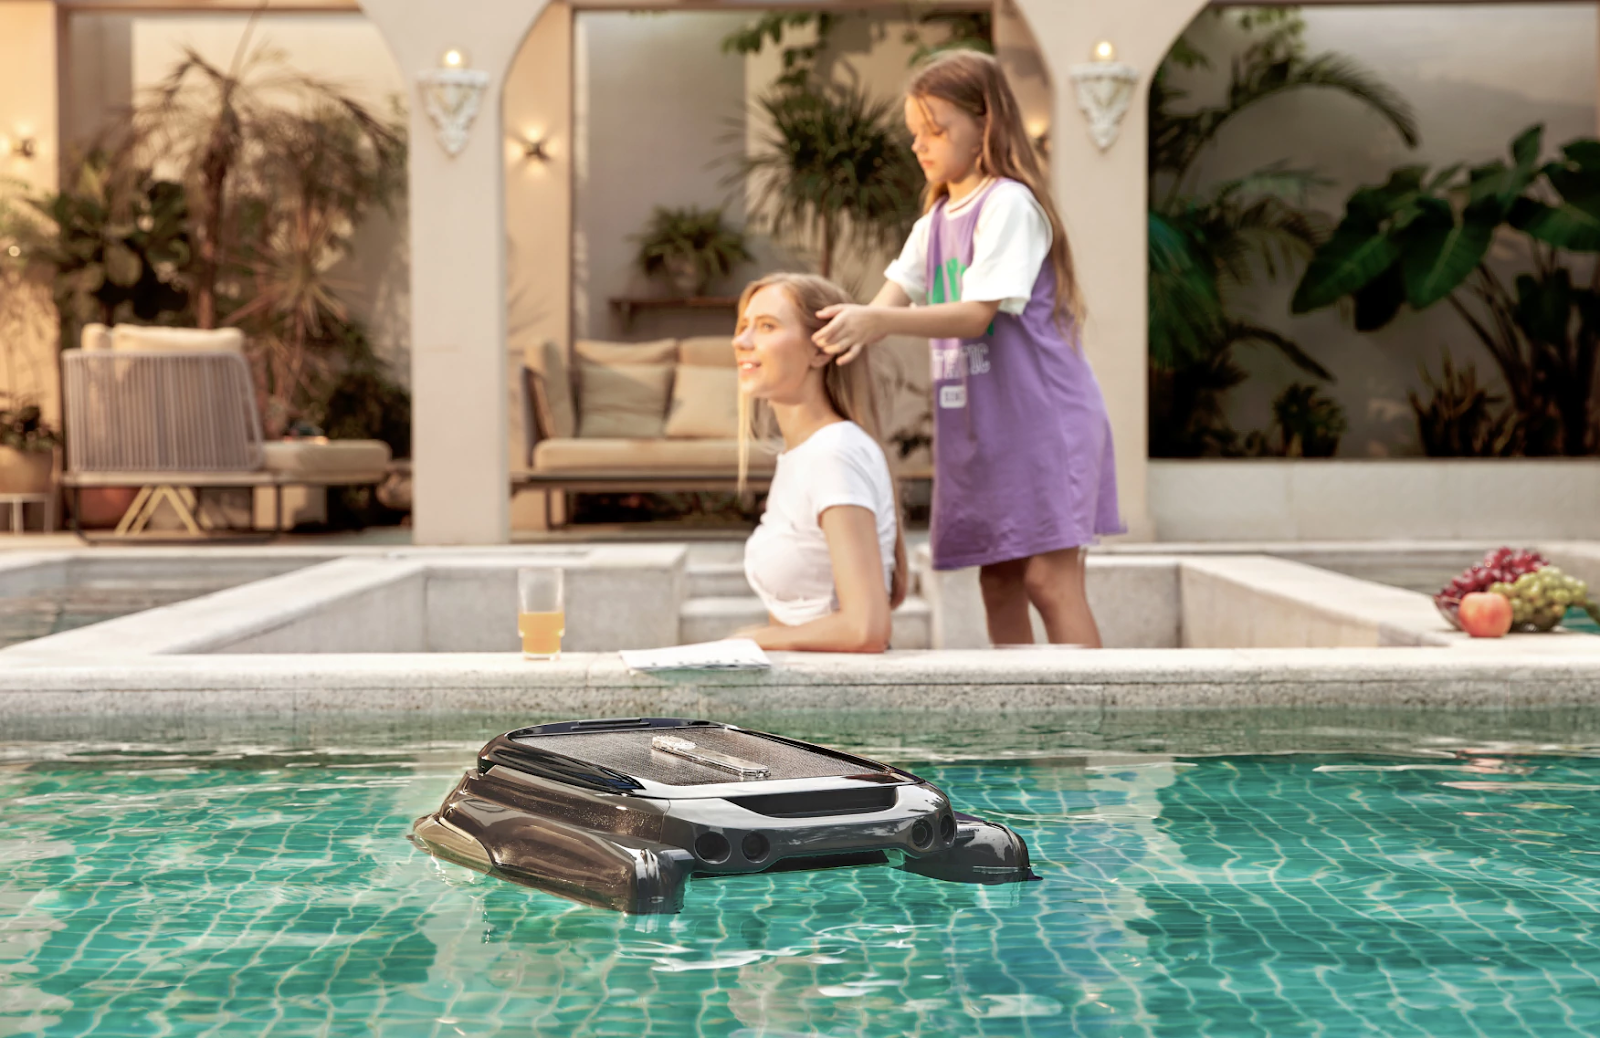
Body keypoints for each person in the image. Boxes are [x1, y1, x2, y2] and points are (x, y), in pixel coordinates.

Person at [810, 50, 1124, 648]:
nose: (920, 146)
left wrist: (873, 322)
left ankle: (1080, 732)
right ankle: (1025, 733)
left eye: (936, 130)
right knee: (999, 582)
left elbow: (976, 316)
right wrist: (836, 333)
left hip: (1043, 423)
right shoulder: (933, 220)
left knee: (1049, 582)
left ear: (986, 124)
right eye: (914, 133)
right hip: (982, 429)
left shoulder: (1007, 203)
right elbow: (885, 302)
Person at [734, 273, 907, 654]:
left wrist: (749, 641)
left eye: (766, 326)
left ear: (820, 351)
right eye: (743, 326)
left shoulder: (835, 452)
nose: (741, 341)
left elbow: (866, 628)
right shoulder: (805, 454)